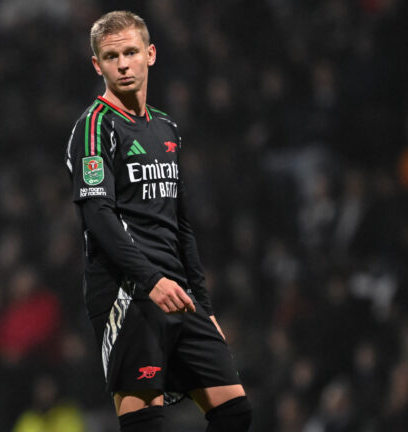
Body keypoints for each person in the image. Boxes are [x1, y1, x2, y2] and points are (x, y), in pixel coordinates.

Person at [64, 10, 252, 432]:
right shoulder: (94, 128)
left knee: (235, 412)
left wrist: (203, 306)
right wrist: (150, 280)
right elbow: (98, 215)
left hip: (176, 291)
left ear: (150, 54)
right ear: (98, 65)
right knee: (146, 425)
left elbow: (180, 223)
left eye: (131, 52)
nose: (123, 63)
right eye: (112, 56)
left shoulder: (166, 127)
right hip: (127, 293)